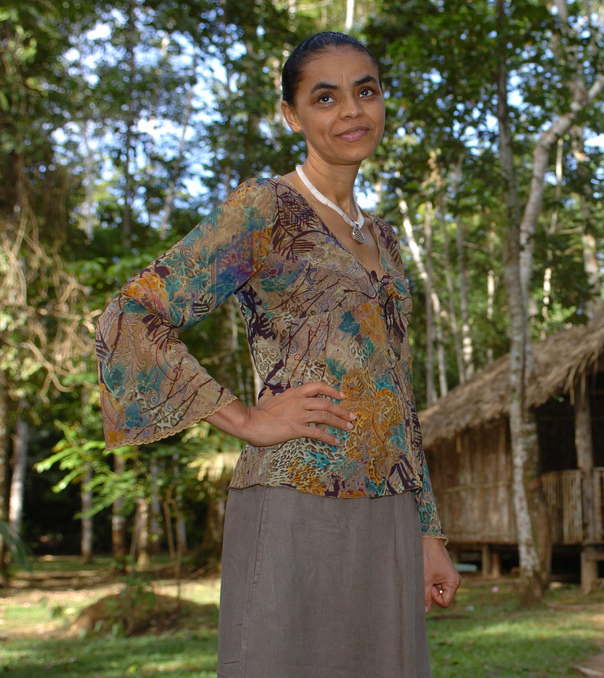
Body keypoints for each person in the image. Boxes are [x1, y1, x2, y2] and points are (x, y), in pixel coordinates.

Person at [95, 31, 461, 677]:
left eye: (365, 91)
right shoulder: (265, 209)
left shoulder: (387, 240)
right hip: (296, 499)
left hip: (391, 515)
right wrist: (245, 419)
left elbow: (399, 394)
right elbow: (131, 315)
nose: (351, 111)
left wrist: (428, 530)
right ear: (292, 115)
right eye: (326, 97)